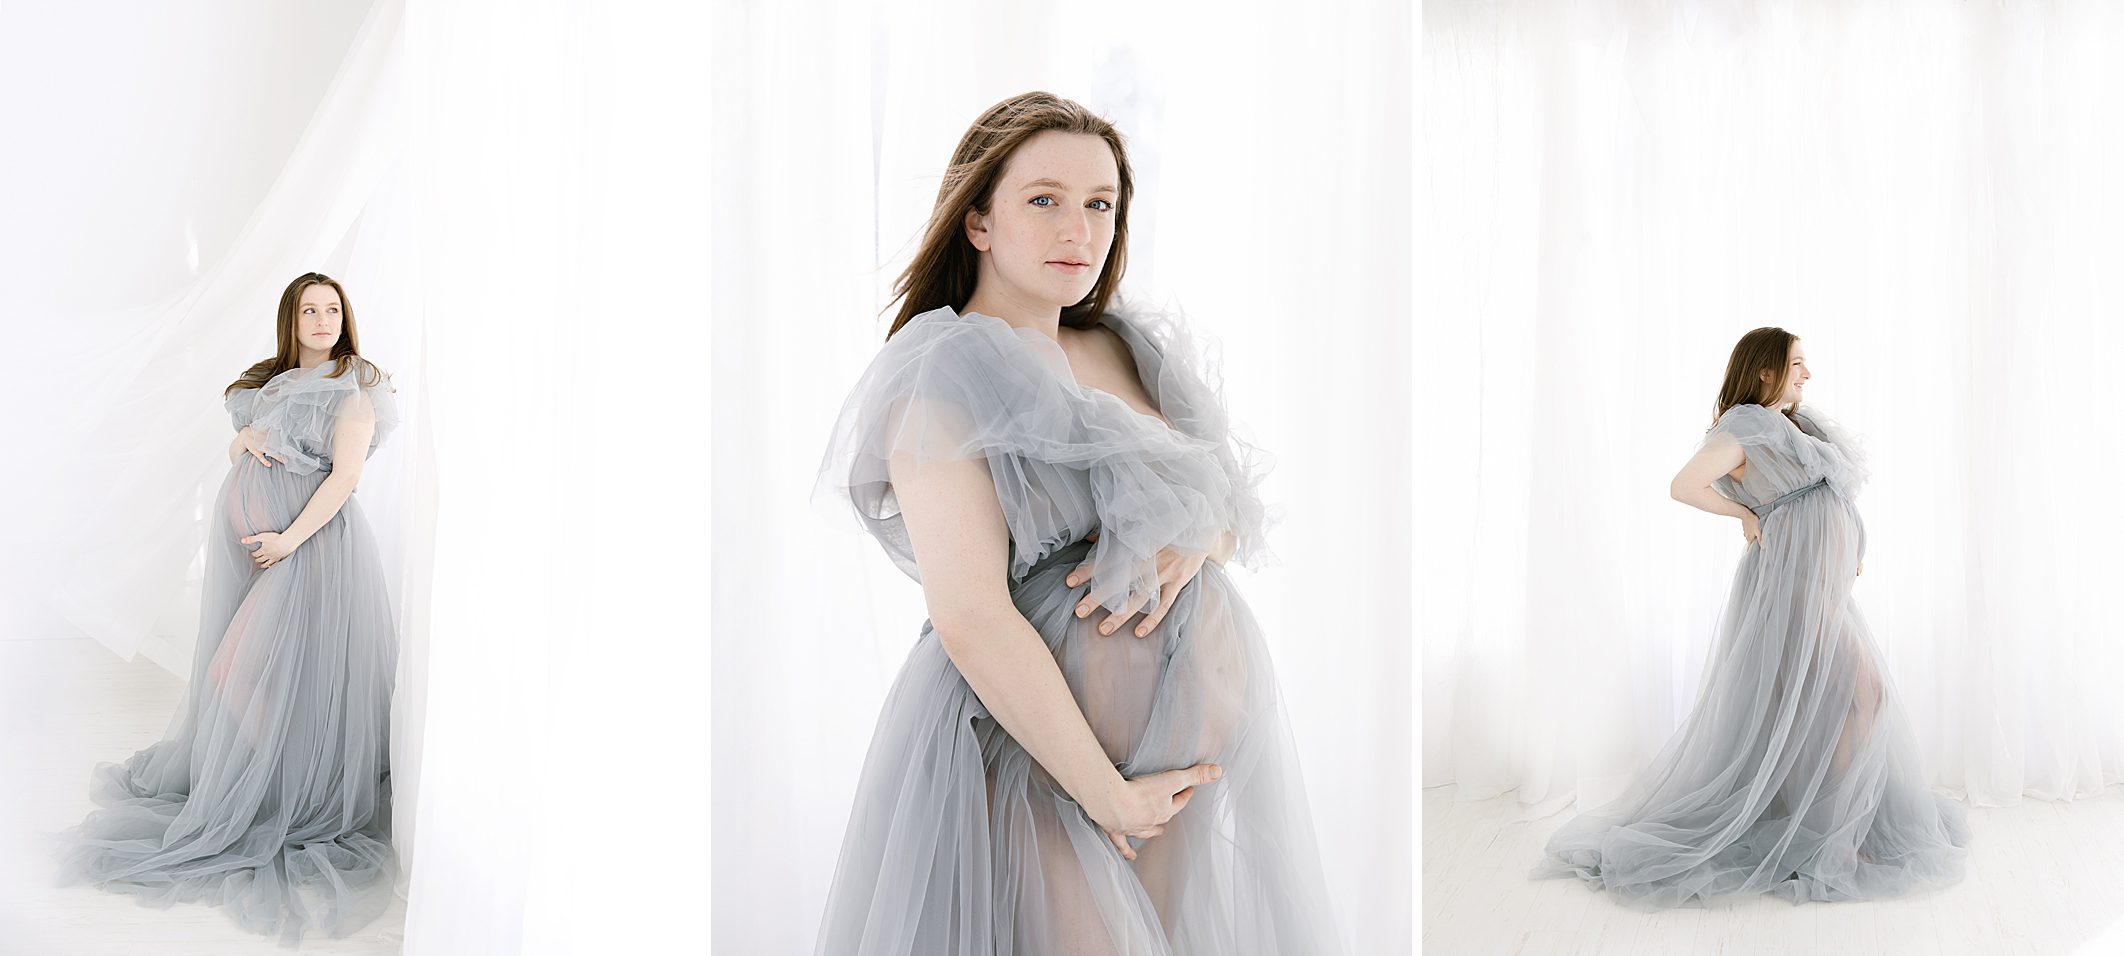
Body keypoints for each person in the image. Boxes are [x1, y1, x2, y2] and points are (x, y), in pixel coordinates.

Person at [811, 92, 1343, 954]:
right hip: (1043, 765)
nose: (1079, 229)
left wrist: (1195, 542)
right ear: (979, 222)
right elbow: (970, 613)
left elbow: (1229, 513)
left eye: (1100, 204)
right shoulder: (941, 375)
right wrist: (1104, 790)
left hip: (1181, 756)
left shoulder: (1128, 347)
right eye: (1045, 199)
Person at [1530, 327, 1971, 908]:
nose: (1807, 374)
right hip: (1791, 589)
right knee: (1859, 696)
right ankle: (1828, 839)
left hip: (1822, 589)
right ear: (1764, 370)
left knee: (1840, 704)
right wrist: (1743, 511)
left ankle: (1832, 832)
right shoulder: (1744, 427)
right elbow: (1683, 485)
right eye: (1797, 363)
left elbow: (1824, 498)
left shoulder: (1796, 427)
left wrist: (1845, 551)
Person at [60, 272, 402, 943]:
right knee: (250, 672)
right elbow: (245, 439)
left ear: (346, 318)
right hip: (265, 550)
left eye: (332, 309)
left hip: (310, 550)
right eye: (310, 310)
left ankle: (285, 793)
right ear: (292, 319)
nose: (323, 319)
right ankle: (274, 777)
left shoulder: (356, 385)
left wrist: (287, 539)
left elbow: (346, 477)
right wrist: (240, 446)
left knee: (235, 670)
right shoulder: (270, 383)